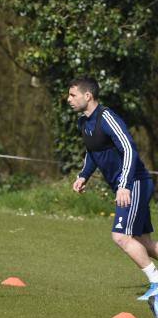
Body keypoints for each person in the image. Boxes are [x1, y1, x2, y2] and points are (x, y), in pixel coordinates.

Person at [68, 76, 158, 301]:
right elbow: (93, 152)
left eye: (72, 95)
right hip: (126, 185)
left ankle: (156, 282)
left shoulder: (107, 117)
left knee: (120, 235)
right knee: (143, 242)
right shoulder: (83, 122)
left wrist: (124, 185)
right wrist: (83, 175)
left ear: (87, 96)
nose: (68, 99)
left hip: (135, 182)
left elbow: (129, 149)